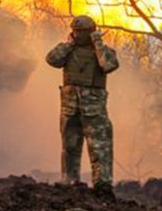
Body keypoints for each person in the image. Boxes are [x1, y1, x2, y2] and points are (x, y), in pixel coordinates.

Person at [46, 15, 119, 196]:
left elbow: (108, 65)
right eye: (75, 31)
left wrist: (97, 44)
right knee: (70, 147)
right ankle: (70, 180)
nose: (77, 35)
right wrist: (69, 45)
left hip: (94, 110)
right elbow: (51, 59)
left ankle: (103, 185)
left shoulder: (104, 52)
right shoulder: (67, 51)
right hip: (70, 108)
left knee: (100, 149)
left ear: (91, 32)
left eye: (82, 32)